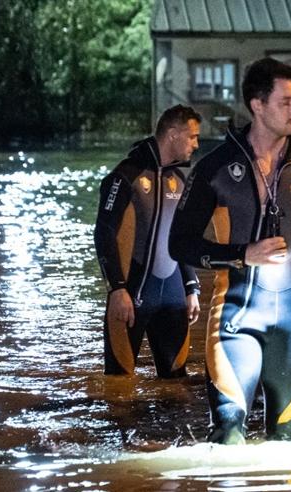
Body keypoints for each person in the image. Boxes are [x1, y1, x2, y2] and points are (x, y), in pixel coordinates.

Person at [169, 58, 291, 444]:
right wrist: (242, 254)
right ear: (257, 105)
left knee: (288, 445)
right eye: (285, 101)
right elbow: (180, 244)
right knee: (228, 439)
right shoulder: (215, 168)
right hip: (237, 319)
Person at [94, 104, 203, 378]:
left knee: (176, 388)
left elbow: (183, 237)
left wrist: (191, 288)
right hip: (131, 294)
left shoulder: (179, 178)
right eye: (192, 137)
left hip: (175, 297)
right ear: (174, 134)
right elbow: (104, 233)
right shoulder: (125, 176)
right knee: (119, 388)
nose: (197, 144)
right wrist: (117, 288)